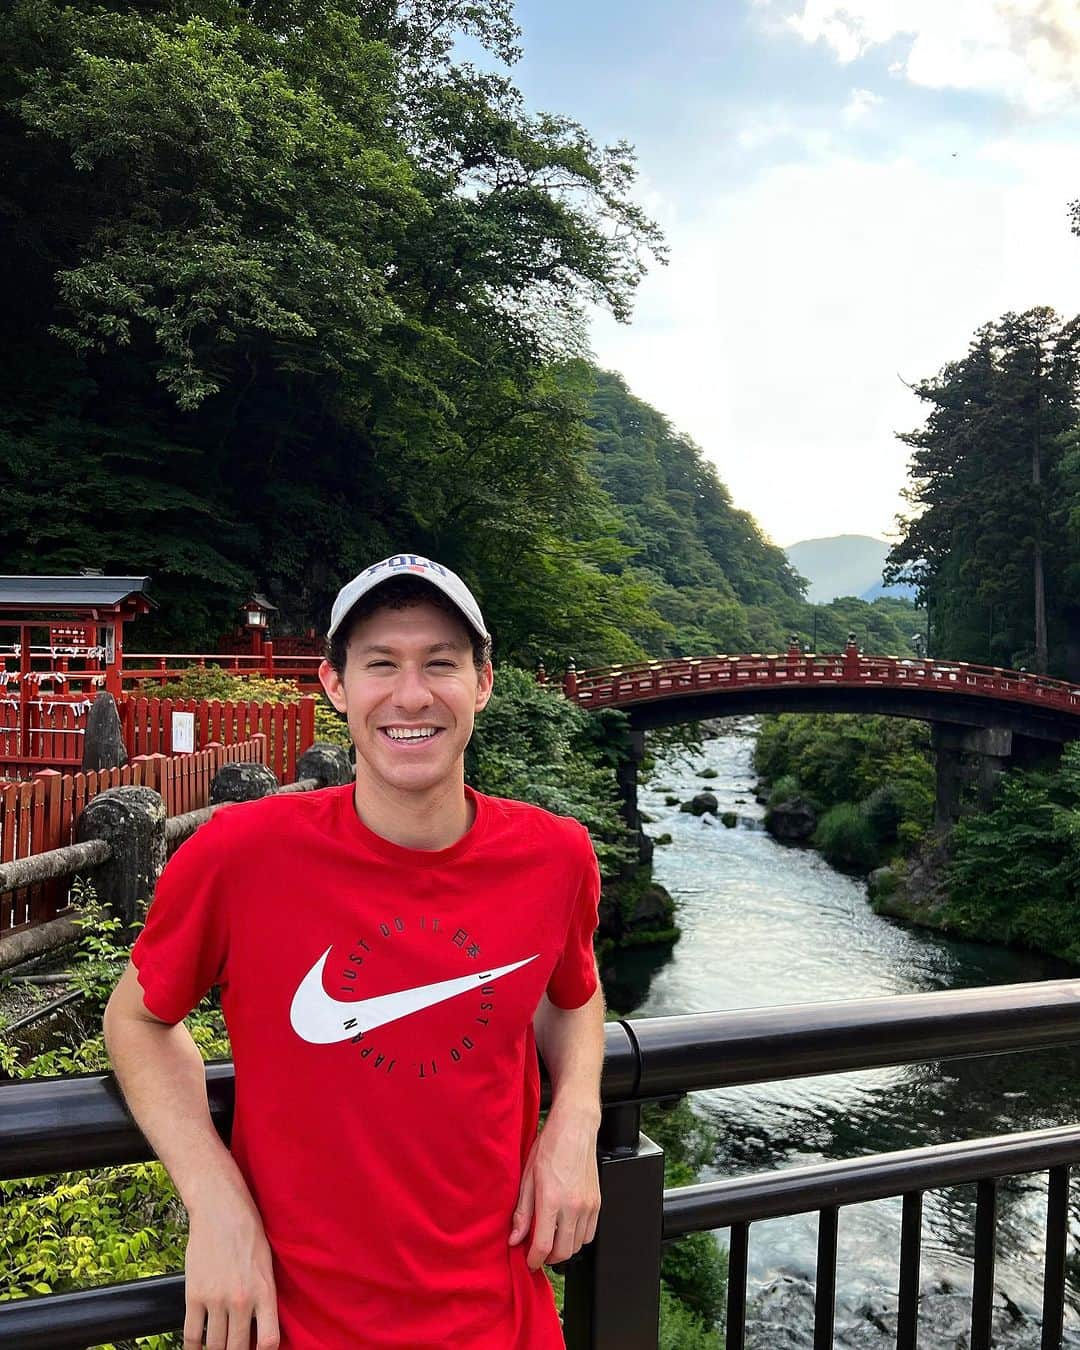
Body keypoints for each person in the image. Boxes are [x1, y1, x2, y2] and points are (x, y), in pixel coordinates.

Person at [103, 553, 605, 1350]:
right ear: (335, 686)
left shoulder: (556, 856)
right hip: (293, 1322)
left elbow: (571, 996)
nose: (412, 695)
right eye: (381, 665)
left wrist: (576, 1116)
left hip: (502, 1316)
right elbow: (136, 1020)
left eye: (440, 662)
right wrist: (214, 1198)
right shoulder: (241, 854)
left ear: (482, 682)